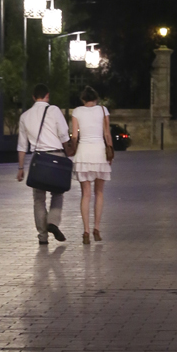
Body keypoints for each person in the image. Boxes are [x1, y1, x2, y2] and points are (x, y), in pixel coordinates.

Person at [17, 83, 74, 246]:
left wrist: (20, 168)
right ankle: (53, 222)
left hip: (39, 159)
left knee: (38, 199)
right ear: (47, 95)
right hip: (56, 156)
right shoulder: (54, 110)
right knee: (58, 193)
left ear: (34, 97)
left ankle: (42, 236)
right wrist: (68, 152)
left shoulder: (25, 116)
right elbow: (64, 135)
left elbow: (22, 146)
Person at [71, 85, 114, 244]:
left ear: (83, 99)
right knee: (99, 193)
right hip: (99, 153)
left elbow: (75, 136)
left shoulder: (77, 111)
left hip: (83, 154)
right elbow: (107, 134)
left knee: (86, 194)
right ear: (96, 99)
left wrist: (71, 149)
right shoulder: (103, 110)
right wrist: (111, 153)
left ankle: (86, 231)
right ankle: (97, 228)